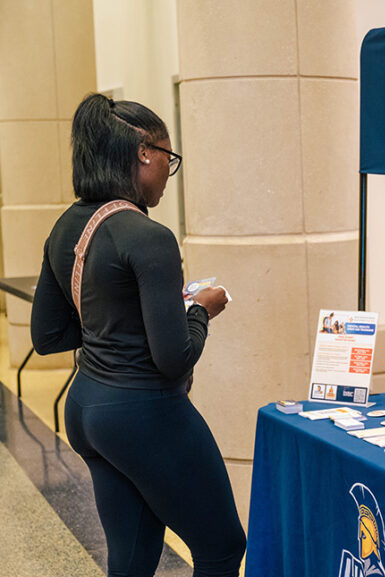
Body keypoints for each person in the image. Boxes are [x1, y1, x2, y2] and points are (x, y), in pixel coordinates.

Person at [31, 93, 246, 577]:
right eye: (169, 158)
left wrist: (113, 325)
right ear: (144, 153)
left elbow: (47, 335)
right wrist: (202, 311)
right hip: (144, 413)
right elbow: (175, 358)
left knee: (132, 556)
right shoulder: (148, 237)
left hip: (87, 411)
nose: (169, 174)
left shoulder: (66, 226)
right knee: (222, 547)